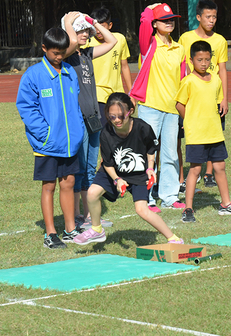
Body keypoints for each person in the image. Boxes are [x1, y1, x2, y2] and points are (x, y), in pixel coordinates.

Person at [74, 93, 184, 245]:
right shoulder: (106, 132)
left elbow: (151, 150)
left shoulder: (143, 128)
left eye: (120, 116)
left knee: (142, 210)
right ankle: (97, 229)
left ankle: (173, 238)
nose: (117, 120)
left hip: (139, 174)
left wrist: (150, 169)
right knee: (92, 193)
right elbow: (107, 163)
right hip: (114, 171)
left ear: (130, 111)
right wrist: (117, 180)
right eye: (112, 117)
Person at [16, 27, 84, 249]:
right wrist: (44, 133)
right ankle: (50, 233)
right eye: (55, 52)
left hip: (70, 143)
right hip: (47, 144)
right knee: (49, 186)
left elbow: (74, 105)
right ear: (44, 48)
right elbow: (26, 108)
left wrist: (78, 130)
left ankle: (70, 229)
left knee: (69, 183)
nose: (59, 57)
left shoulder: (69, 71)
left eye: (63, 52)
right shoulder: (33, 75)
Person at [62, 12, 117, 230]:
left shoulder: (86, 55)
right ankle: (78, 215)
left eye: (86, 31)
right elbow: (71, 42)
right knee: (80, 168)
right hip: (79, 119)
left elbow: (112, 41)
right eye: (80, 30)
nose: (84, 34)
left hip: (94, 118)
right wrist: (68, 23)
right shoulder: (67, 55)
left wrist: (93, 23)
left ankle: (87, 215)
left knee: (90, 168)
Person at [130, 3, 187, 212]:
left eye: (171, 19)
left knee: (171, 153)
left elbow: (183, 79)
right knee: (148, 154)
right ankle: (147, 197)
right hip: (150, 107)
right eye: (164, 20)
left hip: (172, 110)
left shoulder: (179, 48)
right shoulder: (149, 44)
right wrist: (149, 8)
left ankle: (170, 196)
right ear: (155, 24)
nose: (169, 22)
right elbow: (144, 21)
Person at [175, 41, 231, 223]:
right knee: (195, 170)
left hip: (215, 133)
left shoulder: (216, 80)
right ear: (191, 60)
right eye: (199, 59)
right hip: (197, 134)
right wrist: (190, 121)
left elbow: (218, 101)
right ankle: (188, 208)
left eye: (206, 60)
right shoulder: (188, 81)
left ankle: (226, 203)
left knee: (220, 167)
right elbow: (180, 104)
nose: (203, 63)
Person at [178, 0, 229, 189]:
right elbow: (182, 66)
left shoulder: (220, 40)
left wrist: (224, 97)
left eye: (214, 17)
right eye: (208, 17)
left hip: (213, 93)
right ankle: (190, 174)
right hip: (194, 94)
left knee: (214, 132)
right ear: (199, 17)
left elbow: (222, 69)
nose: (212, 20)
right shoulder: (185, 38)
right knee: (194, 134)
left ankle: (209, 174)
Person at [87, 7, 133, 126]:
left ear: (110, 25)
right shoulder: (87, 43)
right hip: (96, 94)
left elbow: (125, 66)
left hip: (116, 94)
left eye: (102, 26)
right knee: (102, 132)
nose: (98, 31)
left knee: (118, 129)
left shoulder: (120, 39)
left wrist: (131, 93)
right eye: (96, 27)